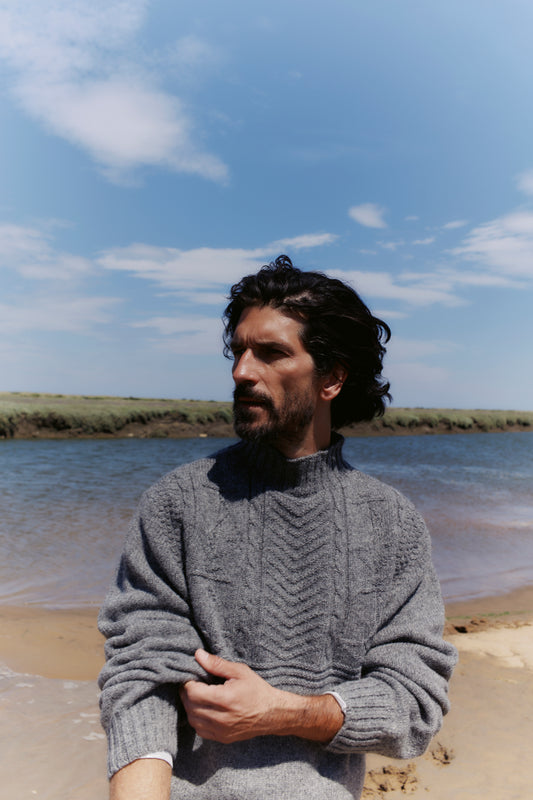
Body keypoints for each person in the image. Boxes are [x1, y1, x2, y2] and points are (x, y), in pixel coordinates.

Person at [98, 255, 457, 800]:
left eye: (270, 353)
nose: (242, 371)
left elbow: (414, 702)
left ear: (332, 377)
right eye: (238, 351)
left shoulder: (391, 525)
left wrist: (283, 713)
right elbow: (141, 673)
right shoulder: (180, 503)